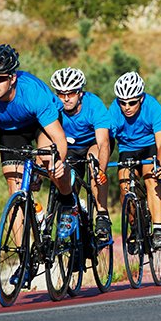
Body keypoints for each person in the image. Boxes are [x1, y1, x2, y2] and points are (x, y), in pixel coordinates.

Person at [0, 44, 76, 260]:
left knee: (49, 158)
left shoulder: (33, 93)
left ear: (12, 78)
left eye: (0, 78)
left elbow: (58, 138)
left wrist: (60, 162)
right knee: (14, 187)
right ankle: (23, 257)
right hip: (11, 130)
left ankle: (68, 201)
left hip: (41, 124)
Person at [108, 71, 161, 250]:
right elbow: (107, 141)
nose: (126, 107)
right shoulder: (114, 110)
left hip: (149, 146)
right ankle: (134, 227)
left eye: (132, 102)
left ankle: (158, 229)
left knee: (152, 179)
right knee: (124, 185)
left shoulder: (153, 107)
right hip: (127, 149)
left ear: (141, 99)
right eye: (122, 103)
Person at [50, 66, 113, 242]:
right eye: (61, 94)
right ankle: (77, 237)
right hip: (69, 147)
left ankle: (102, 214)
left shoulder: (94, 105)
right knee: (66, 181)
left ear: (80, 93)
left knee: (93, 163)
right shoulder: (54, 107)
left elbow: (103, 142)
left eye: (70, 93)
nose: (65, 98)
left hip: (93, 143)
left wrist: (101, 169)